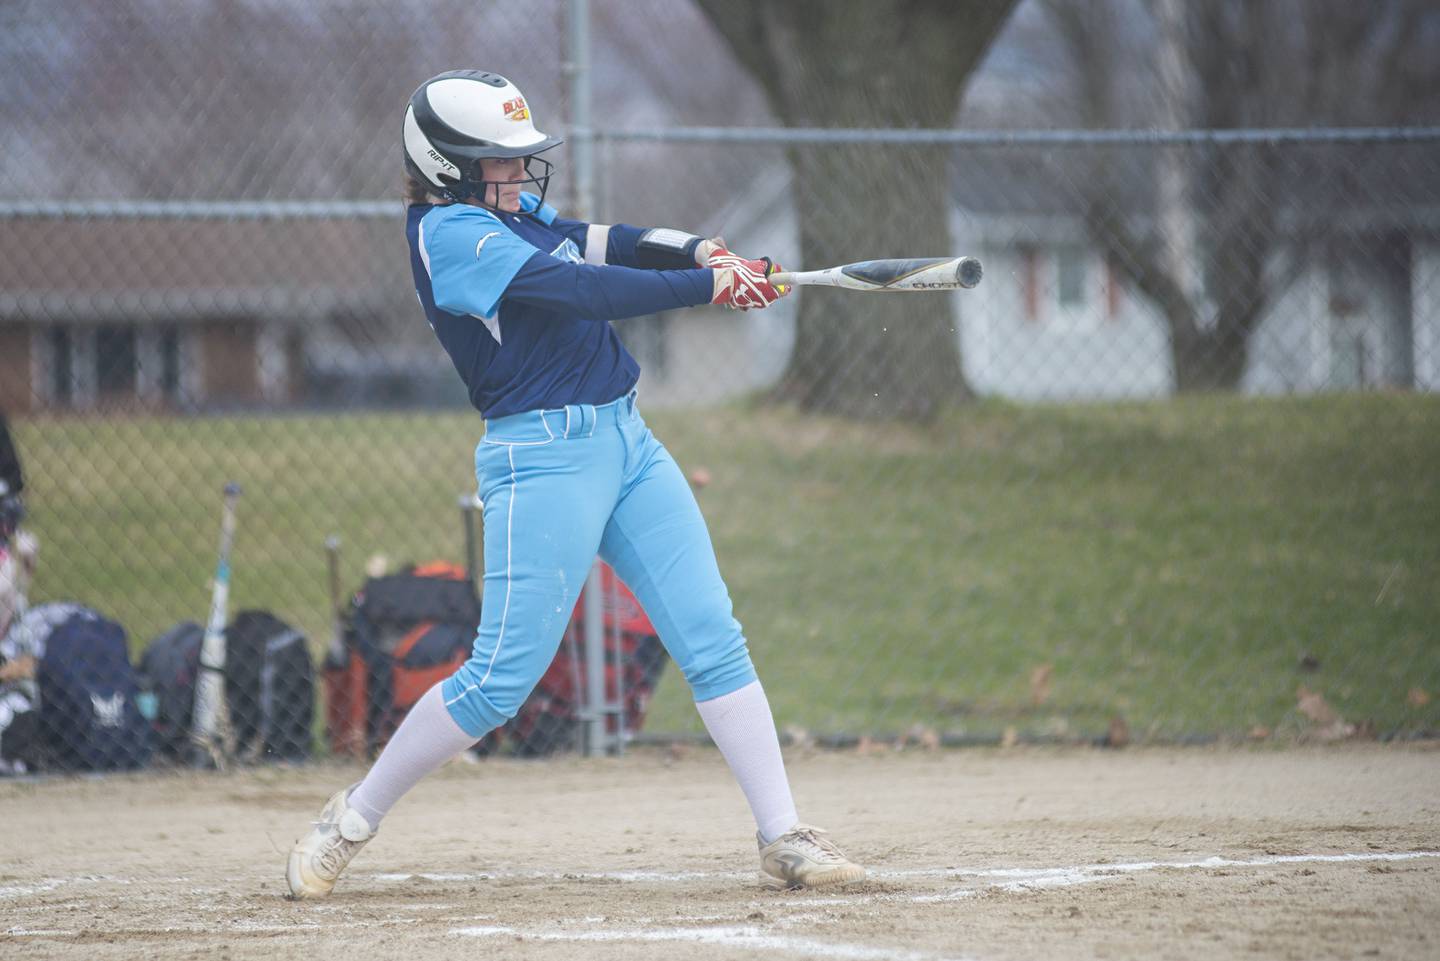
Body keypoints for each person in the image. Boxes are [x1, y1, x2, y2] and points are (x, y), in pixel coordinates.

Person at [286, 70, 864, 898]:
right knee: (498, 681)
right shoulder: (449, 233)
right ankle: (350, 819)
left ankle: (782, 834)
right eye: (501, 162)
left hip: (626, 440)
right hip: (541, 459)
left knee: (710, 631)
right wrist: (710, 287)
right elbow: (581, 291)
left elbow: (600, 242)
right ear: (448, 167)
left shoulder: (509, 213)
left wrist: (699, 249)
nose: (520, 175)